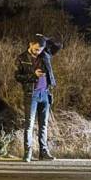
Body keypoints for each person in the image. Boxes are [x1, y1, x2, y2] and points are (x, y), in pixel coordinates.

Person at [14, 34, 60, 162]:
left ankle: (43, 152)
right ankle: (27, 153)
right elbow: (18, 77)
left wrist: (45, 39)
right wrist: (33, 75)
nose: (37, 52)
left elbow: (58, 45)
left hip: (45, 93)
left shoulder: (45, 55)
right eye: (35, 49)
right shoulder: (21, 58)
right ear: (30, 44)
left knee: (44, 125)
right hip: (31, 94)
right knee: (29, 125)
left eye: (40, 49)